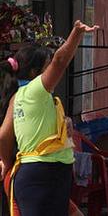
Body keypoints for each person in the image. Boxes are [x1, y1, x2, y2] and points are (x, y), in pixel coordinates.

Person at [0, 20, 98, 216]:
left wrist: (9, 165)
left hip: (45, 174)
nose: (53, 71)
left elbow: (4, 136)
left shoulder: (20, 95)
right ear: (36, 73)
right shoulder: (35, 90)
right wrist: (76, 34)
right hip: (42, 174)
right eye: (48, 66)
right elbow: (60, 61)